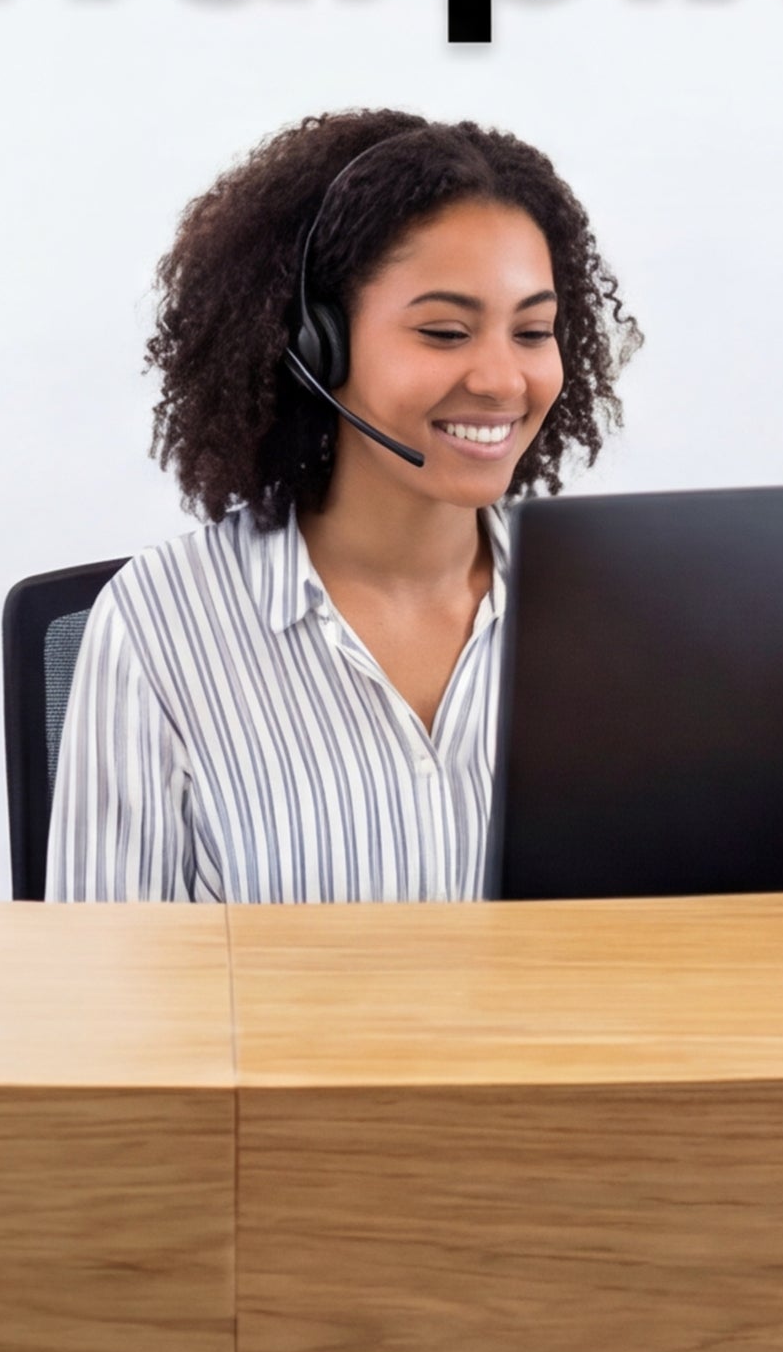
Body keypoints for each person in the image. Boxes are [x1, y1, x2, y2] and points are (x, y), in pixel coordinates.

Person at [47, 111, 635, 903]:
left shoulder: (617, 614)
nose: (503, 381)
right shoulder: (161, 626)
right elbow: (105, 990)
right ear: (316, 345)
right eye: (445, 331)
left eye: (532, 331)